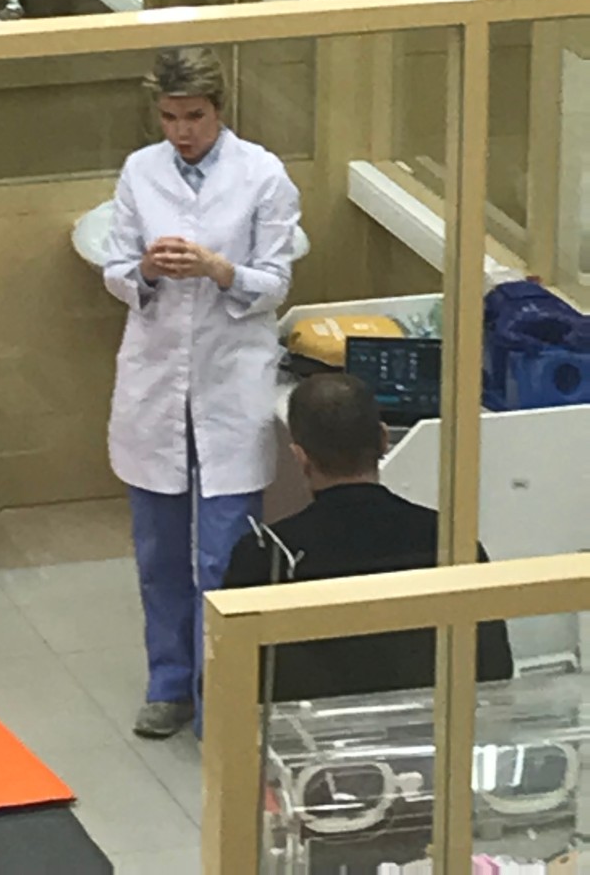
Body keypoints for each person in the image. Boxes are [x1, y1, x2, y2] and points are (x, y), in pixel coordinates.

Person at [104, 46, 301, 739]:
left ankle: (220, 695)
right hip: (156, 385)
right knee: (159, 554)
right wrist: (147, 270)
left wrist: (221, 269)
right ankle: (169, 686)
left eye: (193, 116)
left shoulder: (263, 176)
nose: (181, 131)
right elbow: (115, 267)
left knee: (224, 556)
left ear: (219, 110)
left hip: (230, 384)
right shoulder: (140, 171)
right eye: (169, 117)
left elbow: (275, 282)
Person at [223, 373, 514, 702]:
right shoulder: (451, 542)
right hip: (435, 728)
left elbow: (230, 686)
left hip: (307, 732)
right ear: (383, 439)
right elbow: (494, 670)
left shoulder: (264, 556)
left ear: (300, 456)